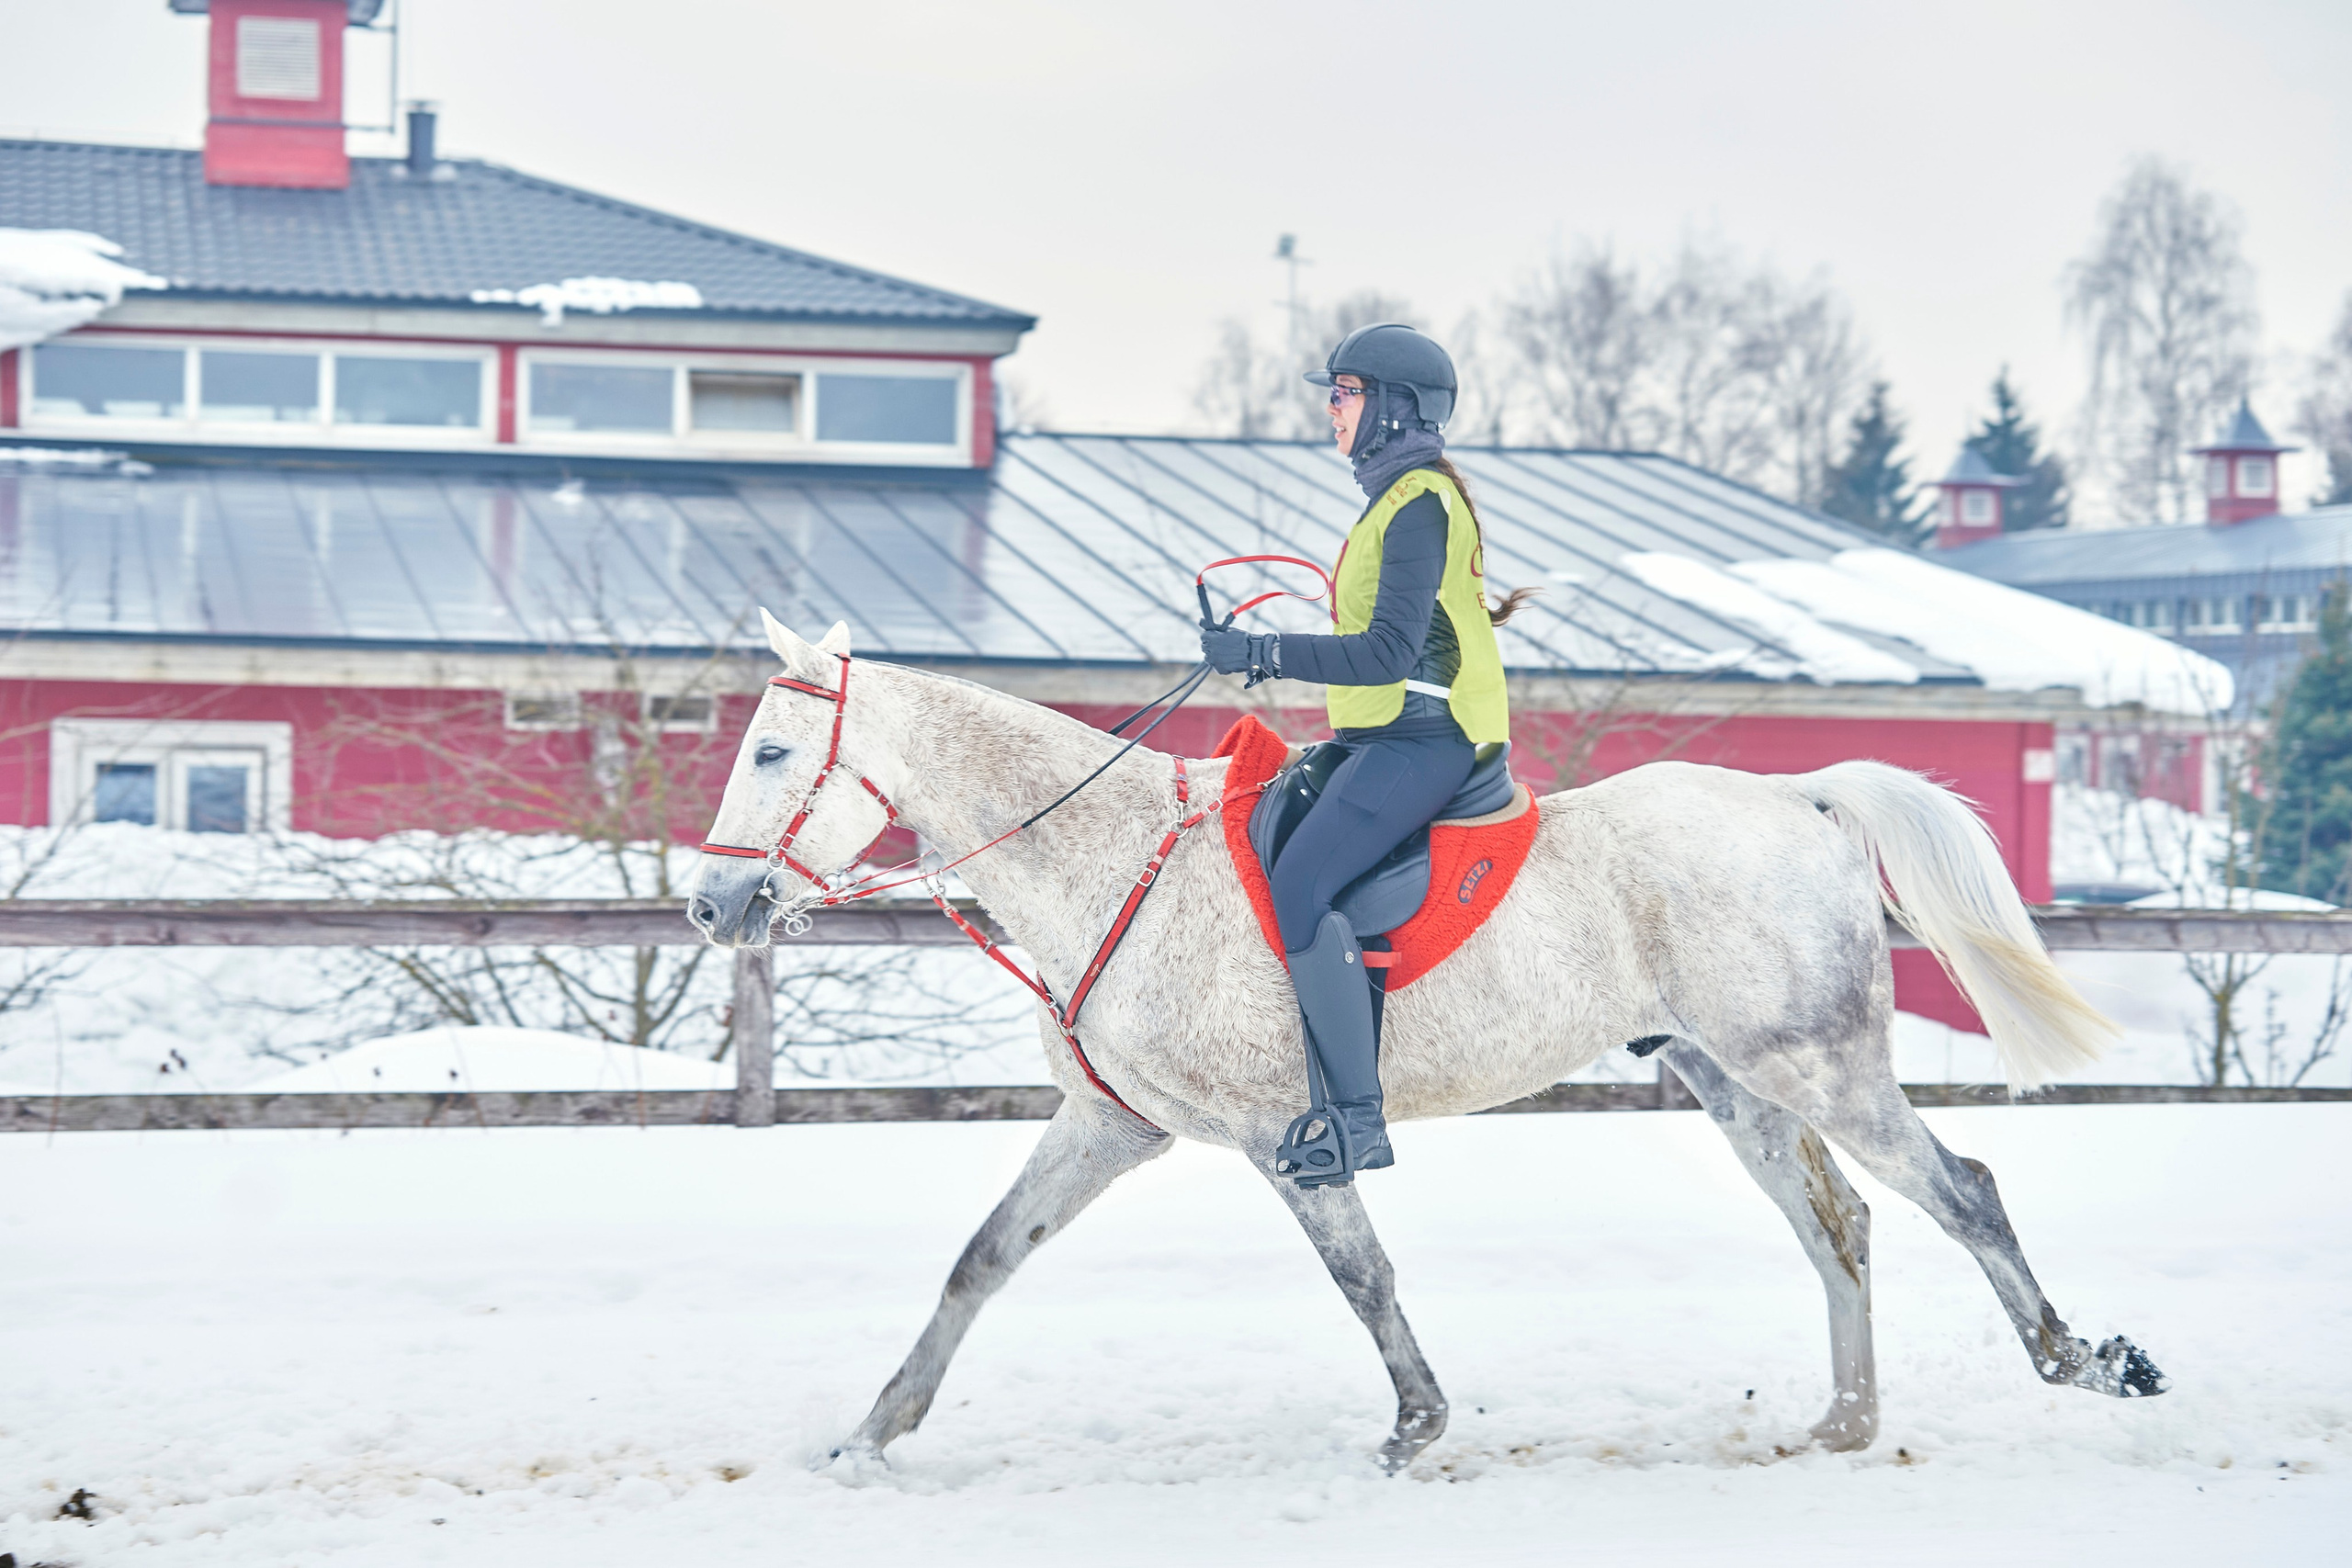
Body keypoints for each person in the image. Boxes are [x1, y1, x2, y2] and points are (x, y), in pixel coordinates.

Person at [1199, 323, 1535, 1186]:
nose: (1331, 408)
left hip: (1429, 741)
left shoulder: (1420, 499)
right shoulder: (1392, 500)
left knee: (1303, 885)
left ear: (1391, 408)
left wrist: (1268, 655)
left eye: (1343, 393)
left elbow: (1388, 654)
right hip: (1384, 734)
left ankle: (1354, 1120)